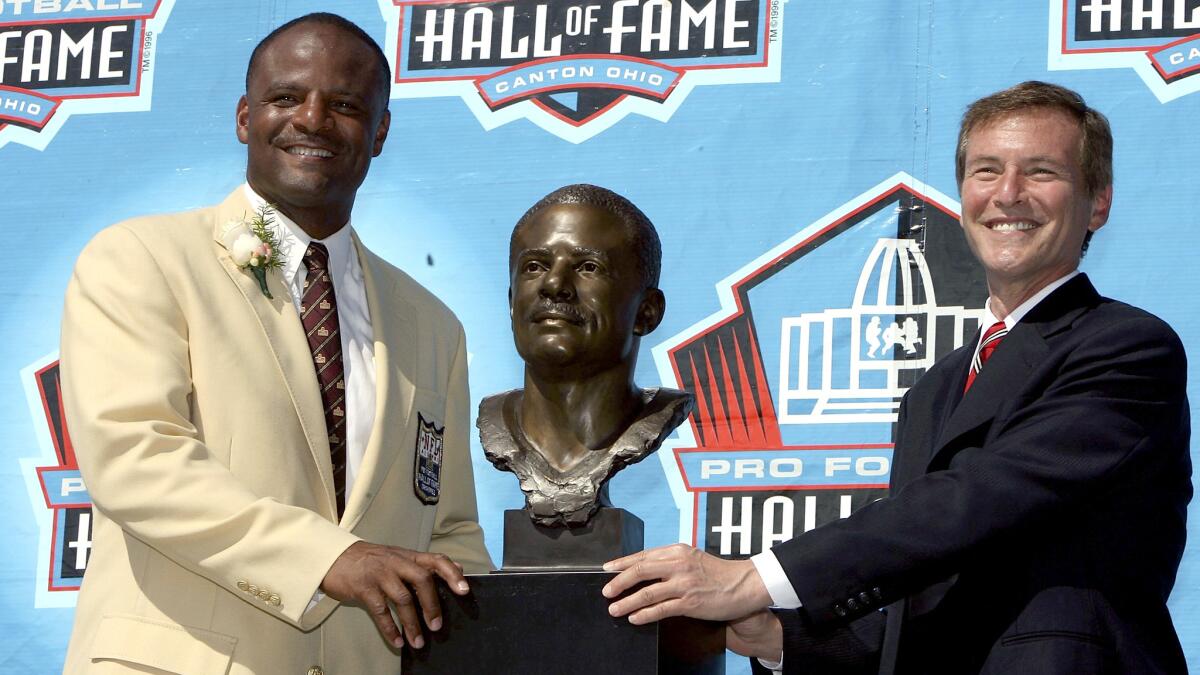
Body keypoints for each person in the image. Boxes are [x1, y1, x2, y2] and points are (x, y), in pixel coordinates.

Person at [602, 81, 1191, 674]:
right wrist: (777, 638)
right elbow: (920, 600)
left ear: (1098, 203)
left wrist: (757, 578)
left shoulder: (1126, 346)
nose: (1007, 195)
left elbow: (975, 500)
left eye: (1040, 172)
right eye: (986, 171)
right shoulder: (934, 390)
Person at [59, 13, 491, 675]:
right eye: (286, 97)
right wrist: (325, 558)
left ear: (379, 132)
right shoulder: (140, 259)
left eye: (344, 105)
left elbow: (451, 533)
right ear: (243, 117)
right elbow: (133, 456)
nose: (312, 119)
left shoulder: (433, 326)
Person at [478, 184, 693, 527]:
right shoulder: (495, 420)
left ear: (646, 313)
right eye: (534, 266)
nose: (554, 285)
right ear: (510, 301)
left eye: (588, 267)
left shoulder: (656, 414)